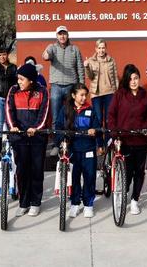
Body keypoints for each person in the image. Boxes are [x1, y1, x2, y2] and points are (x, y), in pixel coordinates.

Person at [107, 64, 147, 215]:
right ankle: (123, 194)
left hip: (141, 140)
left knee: (139, 172)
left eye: (136, 78)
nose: (134, 81)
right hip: (124, 140)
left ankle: (135, 200)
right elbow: (111, 115)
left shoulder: (145, 95)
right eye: (130, 79)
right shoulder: (119, 94)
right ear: (126, 81)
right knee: (127, 172)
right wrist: (115, 134)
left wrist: (145, 128)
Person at [6, 63, 49, 217]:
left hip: (37, 137)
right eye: (18, 78)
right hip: (20, 137)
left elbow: (44, 113)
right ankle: (23, 202)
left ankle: (36, 202)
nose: (19, 82)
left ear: (31, 80)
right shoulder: (13, 90)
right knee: (22, 170)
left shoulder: (42, 91)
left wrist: (37, 127)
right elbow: (8, 110)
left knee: (36, 170)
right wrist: (13, 126)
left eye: (22, 79)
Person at [54, 83, 103, 219]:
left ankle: (88, 205)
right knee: (74, 178)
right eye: (81, 95)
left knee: (89, 177)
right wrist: (60, 142)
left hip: (88, 149)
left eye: (85, 95)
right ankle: (75, 203)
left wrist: (99, 142)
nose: (83, 98)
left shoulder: (90, 110)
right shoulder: (65, 109)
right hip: (72, 150)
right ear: (74, 95)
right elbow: (58, 126)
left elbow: (98, 127)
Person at [42, 26, 84, 139]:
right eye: (60, 34)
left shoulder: (75, 49)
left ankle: (71, 140)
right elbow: (46, 54)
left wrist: (81, 86)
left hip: (71, 86)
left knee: (71, 115)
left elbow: (80, 67)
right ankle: (57, 143)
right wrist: (46, 55)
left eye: (64, 33)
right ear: (57, 36)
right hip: (56, 86)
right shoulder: (52, 47)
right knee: (56, 117)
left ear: (67, 35)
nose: (62, 36)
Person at [84, 39, 118, 133]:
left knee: (108, 119)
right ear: (96, 49)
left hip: (109, 93)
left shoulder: (111, 60)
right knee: (98, 119)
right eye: (99, 48)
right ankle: (99, 144)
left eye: (103, 48)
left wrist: (116, 92)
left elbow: (115, 78)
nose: (101, 50)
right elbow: (90, 77)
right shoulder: (90, 61)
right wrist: (86, 67)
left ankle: (108, 143)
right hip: (96, 94)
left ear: (105, 48)